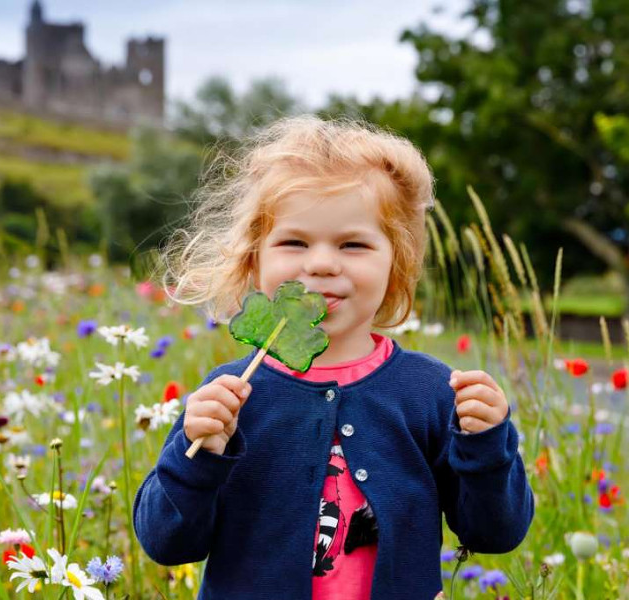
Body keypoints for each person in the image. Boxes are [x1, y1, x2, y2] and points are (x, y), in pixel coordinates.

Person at [133, 115, 534, 599]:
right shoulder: (229, 398)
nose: (322, 263)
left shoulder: (431, 393)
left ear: (397, 263)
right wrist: (198, 454)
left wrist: (487, 445)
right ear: (253, 260)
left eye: (353, 244)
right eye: (294, 242)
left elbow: (495, 532)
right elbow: (166, 542)